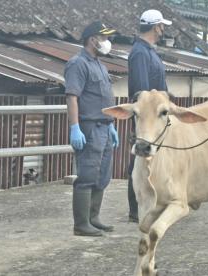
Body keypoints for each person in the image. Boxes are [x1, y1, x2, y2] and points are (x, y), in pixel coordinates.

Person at [64, 21, 119, 236]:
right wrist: (75, 127)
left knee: (102, 175)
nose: (107, 42)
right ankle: (81, 224)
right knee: (87, 175)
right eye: (103, 38)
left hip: (104, 126)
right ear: (92, 39)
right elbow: (72, 97)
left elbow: (103, 98)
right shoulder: (78, 64)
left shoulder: (99, 65)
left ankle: (93, 218)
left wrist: (112, 124)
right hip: (89, 127)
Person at [127, 9, 172, 222]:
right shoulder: (139, 53)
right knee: (140, 158)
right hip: (147, 118)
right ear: (156, 27)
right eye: (162, 26)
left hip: (157, 117)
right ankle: (137, 208)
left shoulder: (149, 51)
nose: (163, 30)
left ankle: (153, 200)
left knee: (152, 159)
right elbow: (142, 92)